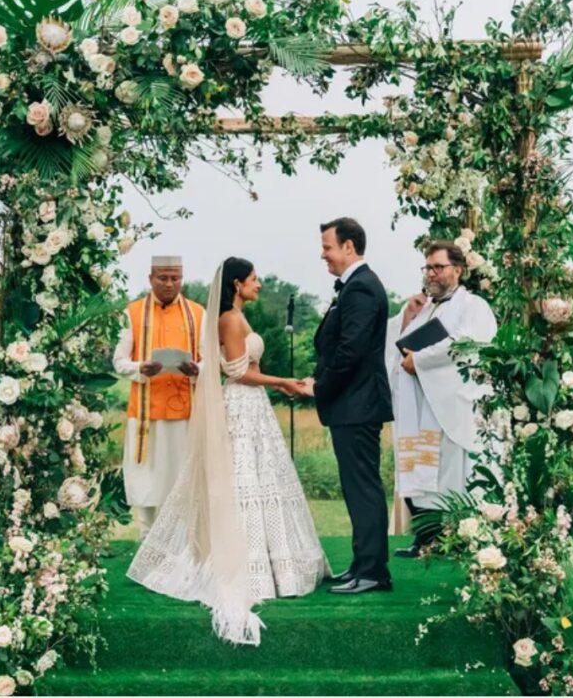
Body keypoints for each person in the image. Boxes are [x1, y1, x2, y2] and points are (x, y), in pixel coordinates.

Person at [127, 257, 330, 645]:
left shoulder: (236, 317)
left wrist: (280, 383)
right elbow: (238, 372)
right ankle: (242, 563)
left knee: (259, 477)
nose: (259, 285)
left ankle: (273, 562)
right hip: (242, 402)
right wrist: (284, 381)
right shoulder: (230, 320)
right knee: (240, 479)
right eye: (254, 280)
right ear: (237, 284)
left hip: (252, 405)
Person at [299, 218, 394, 595]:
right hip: (353, 405)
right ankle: (361, 564)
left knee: (364, 489)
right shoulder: (354, 286)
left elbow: (350, 350)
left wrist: (319, 387)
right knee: (357, 489)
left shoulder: (361, 289)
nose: (323, 254)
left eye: (327, 247)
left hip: (358, 405)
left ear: (349, 247)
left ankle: (373, 572)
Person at [385, 240, 497, 557]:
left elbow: (467, 344)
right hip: (420, 407)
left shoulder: (473, 306)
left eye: (438, 267)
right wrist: (407, 319)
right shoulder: (426, 308)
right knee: (419, 470)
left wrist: (419, 361)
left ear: (458, 270)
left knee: (448, 473)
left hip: (448, 405)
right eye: (428, 267)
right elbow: (399, 340)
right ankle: (426, 539)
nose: (431, 274)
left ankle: (457, 537)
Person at [112, 256, 205, 540]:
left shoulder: (197, 313)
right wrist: (141, 367)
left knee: (179, 477)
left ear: (182, 278)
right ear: (151, 278)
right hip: (145, 413)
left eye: (175, 278)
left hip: (184, 411)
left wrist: (195, 369)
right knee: (148, 477)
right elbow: (119, 361)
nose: (169, 284)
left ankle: (180, 541)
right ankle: (146, 539)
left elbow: (209, 360)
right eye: (163, 278)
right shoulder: (133, 312)